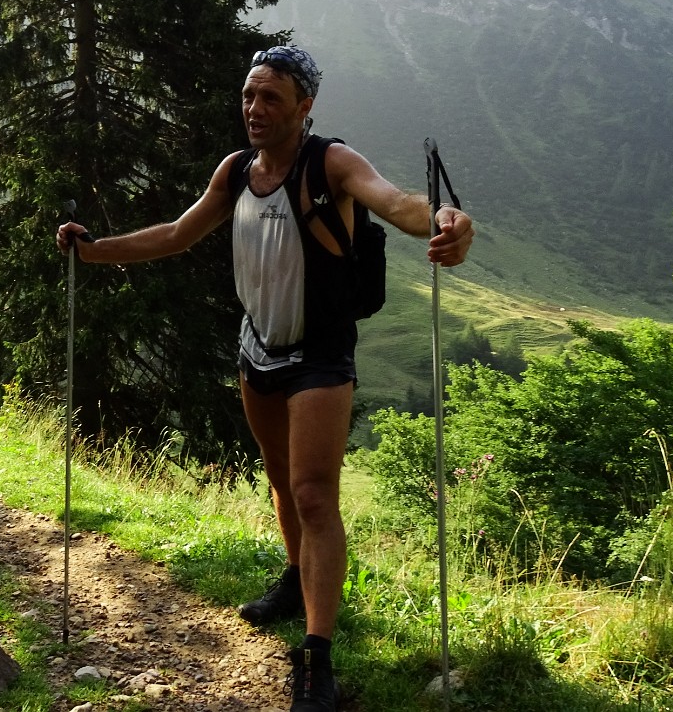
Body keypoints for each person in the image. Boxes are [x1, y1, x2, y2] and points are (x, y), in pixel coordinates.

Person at [57, 45, 473, 711]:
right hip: (258, 349)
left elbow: (396, 202)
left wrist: (447, 221)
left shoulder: (329, 163)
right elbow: (175, 233)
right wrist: (95, 249)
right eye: (249, 94)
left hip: (319, 356)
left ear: (304, 106)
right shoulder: (236, 172)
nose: (254, 108)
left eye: (270, 97)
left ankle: (317, 658)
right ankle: (292, 577)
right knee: (280, 481)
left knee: (313, 495)